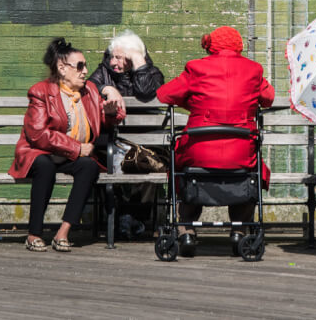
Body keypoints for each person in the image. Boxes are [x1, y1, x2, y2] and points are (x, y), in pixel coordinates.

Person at [156, 26, 275, 257]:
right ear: (239, 44)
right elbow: (268, 98)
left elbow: (165, 94)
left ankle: (186, 230)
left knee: (183, 169)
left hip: (199, 151)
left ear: (211, 45)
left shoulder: (196, 68)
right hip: (241, 152)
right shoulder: (253, 69)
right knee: (254, 170)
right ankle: (239, 231)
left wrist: (194, 106)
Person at [9, 37, 125, 252]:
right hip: (39, 153)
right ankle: (34, 233)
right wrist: (77, 148)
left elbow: (102, 122)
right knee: (45, 166)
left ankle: (63, 232)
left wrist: (110, 115)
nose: (85, 70)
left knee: (89, 166)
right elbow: (38, 135)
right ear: (62, 68)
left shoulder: (89, 91)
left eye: (85, 65)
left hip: (68, 157)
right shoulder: (41, 92)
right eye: (80, 66)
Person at [87, 29, 165, 239]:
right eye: (113, 56)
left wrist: (139, 62)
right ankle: (121, 219)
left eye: (121, 58)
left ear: (134, 58)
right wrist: (106, 88)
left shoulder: (153, 74)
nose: (114, 62)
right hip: (111, 143)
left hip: (147, 144)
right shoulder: (103, 72)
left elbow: (146, 92)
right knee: (105, 161)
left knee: (147, 164)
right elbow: (88, 86)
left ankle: (135, 219)